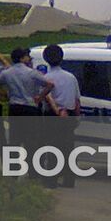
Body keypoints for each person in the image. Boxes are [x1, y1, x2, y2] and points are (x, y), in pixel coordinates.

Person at [0, 47, 54, 175]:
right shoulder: (32, 73)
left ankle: (13, 170)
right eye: (27, 56)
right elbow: (49, 84)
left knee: (14, 139)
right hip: (30, 108)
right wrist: (40, 97)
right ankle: (33, 170)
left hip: (14, 107)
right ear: (22, 58)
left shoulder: (8, 73)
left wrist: (5, 94)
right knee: (31, 139)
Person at [41, 43, 81, 188]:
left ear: (46, 59)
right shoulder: (71, 78)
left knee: (52, 147)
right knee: (68, 147)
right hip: (69, 115)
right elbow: (77, 100)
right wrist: (77, 117)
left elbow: (44, 99)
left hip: (52, 115)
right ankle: (69, 180)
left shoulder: (46, 78)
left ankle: (51, 180)